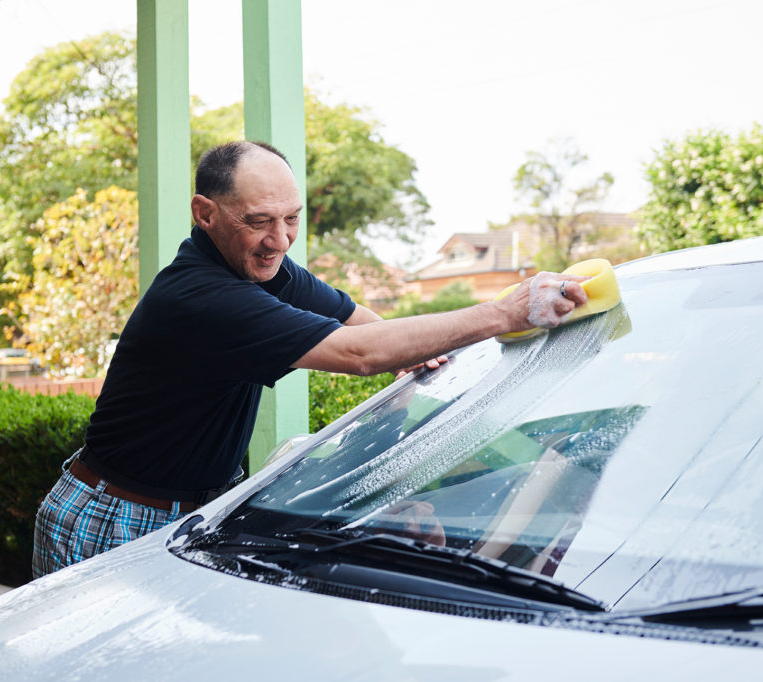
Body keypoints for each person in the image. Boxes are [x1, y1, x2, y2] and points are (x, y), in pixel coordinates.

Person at [31, 140, 588, 578]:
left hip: (196, 510)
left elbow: (369, 326)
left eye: (291, 218)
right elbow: (360, 352)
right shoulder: (199, 296)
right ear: (205, 213)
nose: (280, 240)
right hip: (119, 517)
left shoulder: (261, 265)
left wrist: (427, 351)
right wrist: (503, 313)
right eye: (259, 221)